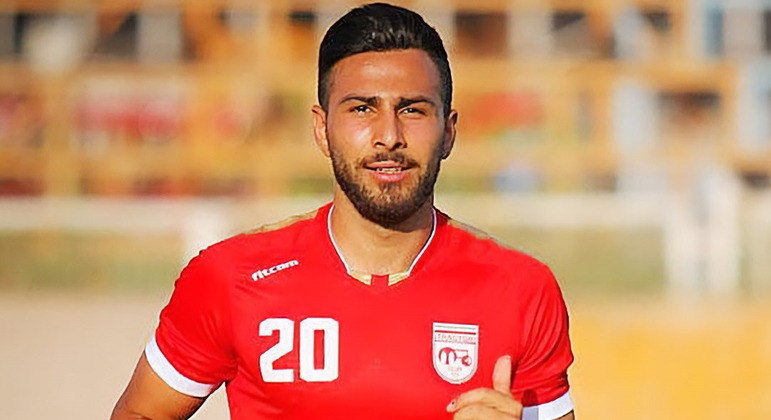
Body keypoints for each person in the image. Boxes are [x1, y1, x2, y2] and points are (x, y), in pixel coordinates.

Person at [111, 3, 574, 419]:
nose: (389, 136)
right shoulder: (231, 277)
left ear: (449, 131)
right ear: (322, 128)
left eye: (412, 110)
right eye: (362, 109)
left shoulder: (522, 290)